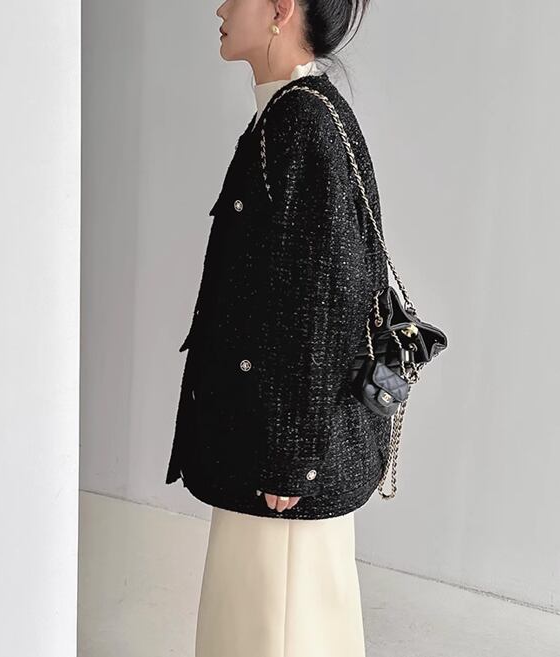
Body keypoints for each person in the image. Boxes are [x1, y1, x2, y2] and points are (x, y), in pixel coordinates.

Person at [165, 1, 391, 655]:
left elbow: (325, 301)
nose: (220, 7)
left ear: (279, 11)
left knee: (271, 627)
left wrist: (290, 462)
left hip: (280, 458)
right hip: (272, 439)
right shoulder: (296, 112)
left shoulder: (301, 124)